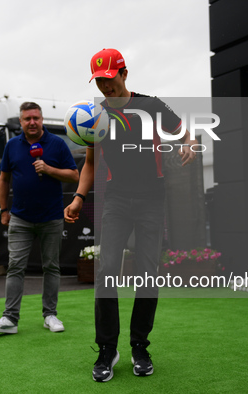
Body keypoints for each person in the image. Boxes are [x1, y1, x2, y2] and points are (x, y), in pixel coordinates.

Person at [64, 48, 197, 382]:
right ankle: (107, 350)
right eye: (99, 82)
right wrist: (79, 197)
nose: (105, 87)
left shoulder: (151, 106)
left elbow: (186, 132)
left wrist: (189, 144)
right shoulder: (97, 115)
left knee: (147, 273)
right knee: (107, 269)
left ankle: (139, 345)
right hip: (118, 201)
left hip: (152, 199)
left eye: (109, 79)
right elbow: (91, 163)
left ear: (124, 73)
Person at [0, 101, 79, 334]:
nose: (32, 122)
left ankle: (50, 316)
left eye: (36, 118)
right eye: (27, 119)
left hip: (52, 217)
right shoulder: (12, 146)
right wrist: (3, 210)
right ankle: (10, 320)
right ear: (21, 121)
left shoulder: (57, 144)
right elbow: (4, 179)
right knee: (15, 266)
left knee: (51, 267)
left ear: (42, 119)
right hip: (20, 218)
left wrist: (49, 169)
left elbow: (74, 175)